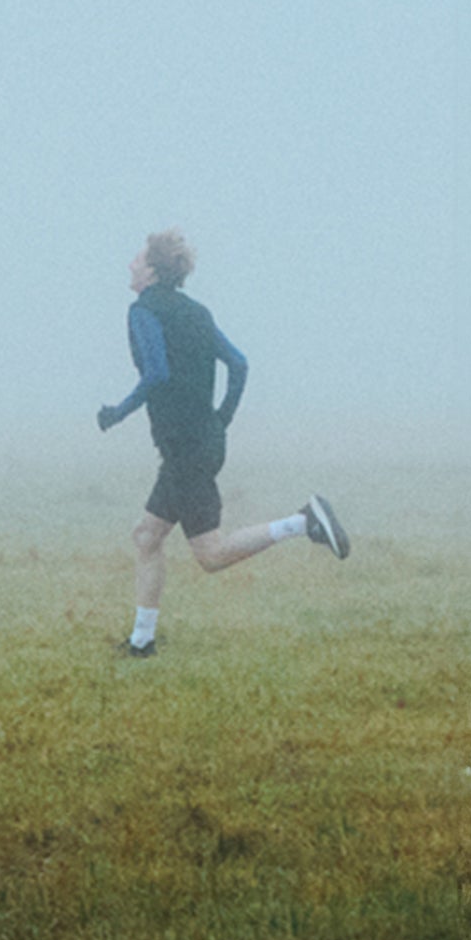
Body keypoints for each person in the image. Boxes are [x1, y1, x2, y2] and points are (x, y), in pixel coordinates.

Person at [96, 229, 348, 657]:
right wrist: (221, 421)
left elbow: (156, 372)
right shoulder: (197, 312)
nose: (130, 265)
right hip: (198, 443)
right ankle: (141, 642)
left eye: (137, 260)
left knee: (210, 555)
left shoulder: (143, 310)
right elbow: (239, 364)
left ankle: (303, 522)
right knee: (146, 536)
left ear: (153, 271)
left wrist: (117, 413)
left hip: (184, 450)